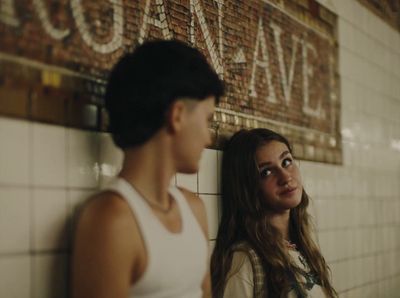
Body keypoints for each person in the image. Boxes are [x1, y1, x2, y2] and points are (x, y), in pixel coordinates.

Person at [71, 40, 224, 298]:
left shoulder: (194, 209)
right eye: (207, 119)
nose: (208, 138)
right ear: (177, 116)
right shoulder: (112, 220)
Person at [211, 128, 337, 298]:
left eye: (286, 162)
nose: (285, 177)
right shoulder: (245, 261)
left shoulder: (302, 247)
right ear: (248, 188)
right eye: (266, 172)